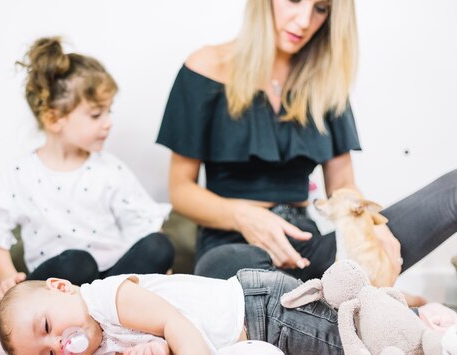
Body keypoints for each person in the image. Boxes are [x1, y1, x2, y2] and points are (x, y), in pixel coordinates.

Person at [155, 0, 457, 284]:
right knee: (223, 268)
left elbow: (342, 184)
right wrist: (244, 216)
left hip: (307, 249)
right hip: (234, 245)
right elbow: (181, 190)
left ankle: (313, 305)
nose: (304, 22)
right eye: (295, 0)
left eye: (321, 8)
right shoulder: (204, 67)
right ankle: (338, 303)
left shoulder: (324, 80)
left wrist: (371, 225)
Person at [0, 37, 174, 304]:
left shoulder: (110, 170)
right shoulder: (20, 174)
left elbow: (144, 227)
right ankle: (47, 307)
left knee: (160, 245)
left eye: (109, 112)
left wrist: (161, 271)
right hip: (57, 284)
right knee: (77, 262)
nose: (108, 123)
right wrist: (9, 281)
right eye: (97, 115)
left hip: (112, 283)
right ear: (54, 119)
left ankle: (105, 310)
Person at [0, 260, 355, 355]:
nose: (59, 344)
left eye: (46, 328)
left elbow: (173, 321)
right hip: (259, 328)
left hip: (261, 310)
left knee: (349, 344)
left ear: (61, 287)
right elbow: (166, 350)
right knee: (348, 329)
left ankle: (395, 327)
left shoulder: (106, 298)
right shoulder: (98, 349)